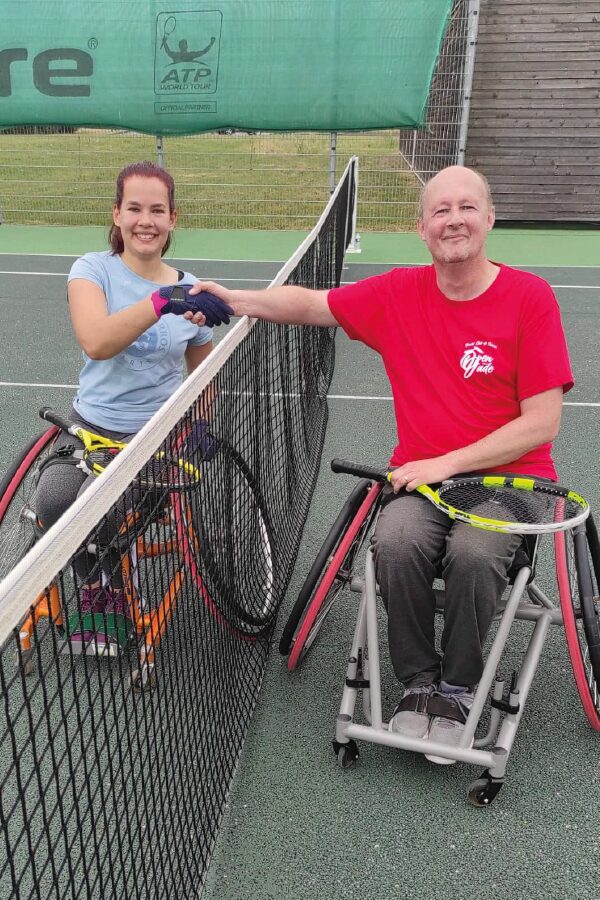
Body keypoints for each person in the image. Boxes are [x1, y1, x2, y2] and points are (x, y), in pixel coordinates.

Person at [184, 165, 574, 762]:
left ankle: (457, 688)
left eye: (467, 208)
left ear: (490, 218)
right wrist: (237, 300)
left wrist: (447, 461)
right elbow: (313, 304)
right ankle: (419, 682)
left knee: (474, 554)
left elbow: (541, 422)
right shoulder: (399, 294)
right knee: (393, 545)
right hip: (423, 481)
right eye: (440, 211)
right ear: (422, 228)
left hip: (509, 482)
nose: (454, 220)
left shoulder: (530, 298)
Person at [35, 160, 231, 652]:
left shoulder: (192, 288)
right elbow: (97, 341)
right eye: (135, 208)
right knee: (55, 503)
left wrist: (201, 424)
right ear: (117, 214)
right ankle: (102, 584)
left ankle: (109, 591)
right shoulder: (92, 270)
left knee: (107, 514)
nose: (146, 220)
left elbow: (203, 373)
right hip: (90, 426)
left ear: (173, 219)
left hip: (154, 439)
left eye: (157, 210)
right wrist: (160, 302)